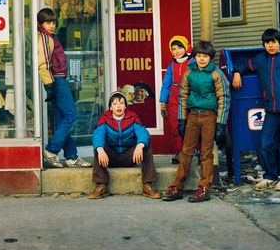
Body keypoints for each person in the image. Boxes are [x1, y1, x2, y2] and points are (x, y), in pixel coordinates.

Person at [231, 28, 280, 192]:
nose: (271, 45)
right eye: (267, 42)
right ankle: (271, 175)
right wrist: (237, 73)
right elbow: (244, 64)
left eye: (274, 42)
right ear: (264, 45)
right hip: (271, 109)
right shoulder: (260, 60)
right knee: (266, 143)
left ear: (279, 43)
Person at [162, 40, 230, 203]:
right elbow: (183, 96)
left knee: (206, 153)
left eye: (205, 56)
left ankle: (205, 187)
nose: (201, 59)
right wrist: (182, 119)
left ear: (210, 58)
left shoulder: (216, 74)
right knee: (186, 151)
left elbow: (224, 98)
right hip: (192, 115)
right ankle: (178, 186)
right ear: (195, 57)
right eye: (199, 56)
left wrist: (221, 123)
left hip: (209, 116)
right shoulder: (189, 72)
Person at [36, 7, 90, 168]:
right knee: (71, 115)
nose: (52, 25)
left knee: (62, 120)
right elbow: (43, 64)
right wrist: (50, 85)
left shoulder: (49, 37)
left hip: (56, 80)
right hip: (56, 81)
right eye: (48, 22)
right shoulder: (45, 38)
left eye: (53, 22)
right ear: (41, 23)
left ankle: (71, 156)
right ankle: (51, 150)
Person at [88, 90, 162, 199]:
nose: (119, 106)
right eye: (115, 104)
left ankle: (147, 185)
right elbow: (98, 134)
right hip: (111, 158)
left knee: (146, 145)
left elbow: (143, 132)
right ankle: (101, 185)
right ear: (110, 108)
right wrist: (100, 149)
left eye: (122, 103)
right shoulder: (105, 118)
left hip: (129, 157)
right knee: (98, 148)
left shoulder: (132, 117)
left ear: (126, 106)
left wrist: (140, 145)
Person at [159, 35, 191, 163]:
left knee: (191, 125)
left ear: (186, 47)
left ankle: (197, 150)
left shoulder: (193, 62)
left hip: (189, 97)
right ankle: (179, 151)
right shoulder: (171, 66)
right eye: (174, 49)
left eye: (179, 48)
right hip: (173, 99)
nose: (177, 51)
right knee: (175, 125)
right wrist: (163, 103)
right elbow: (166, 84)